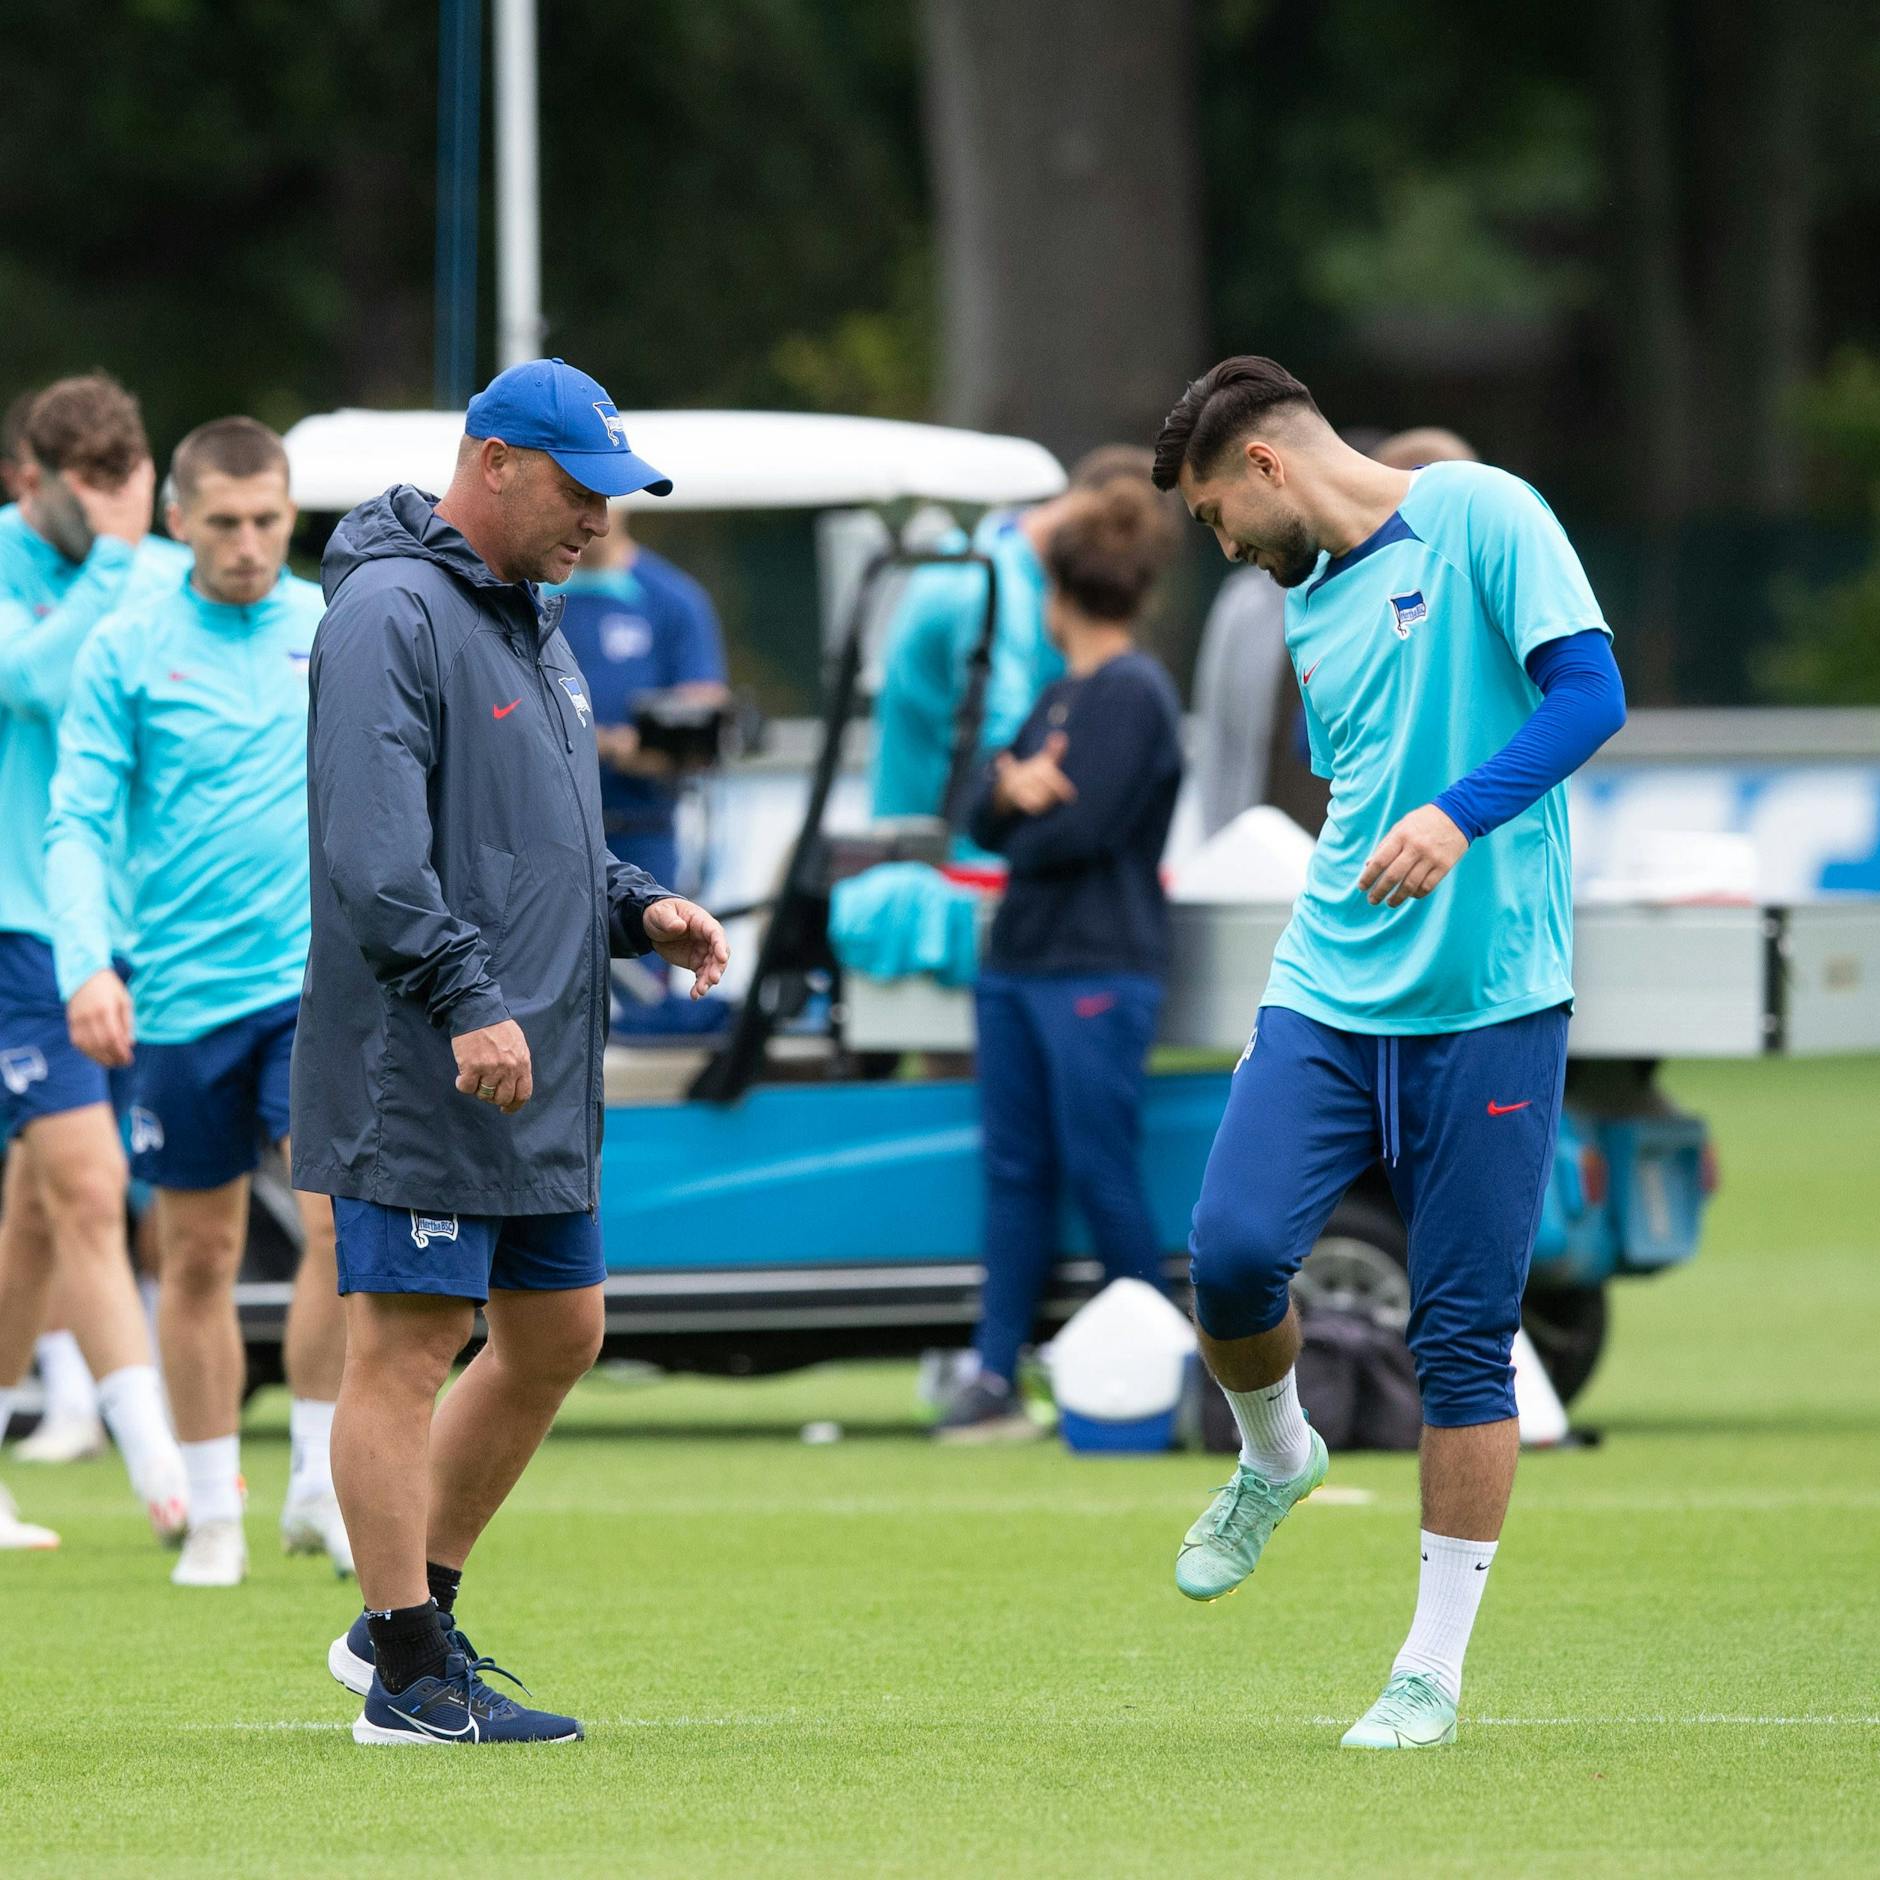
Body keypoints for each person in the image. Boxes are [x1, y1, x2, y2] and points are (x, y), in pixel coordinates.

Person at [1152, 356, 1626, 1750]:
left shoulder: (1484, 511)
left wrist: (1461, 815)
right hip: (1330, 987)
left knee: (1464, 1338)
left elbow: (1589, 697)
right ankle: (1274, 1454)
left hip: (1491, 997)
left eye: (1211, 512)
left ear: (1267, 466)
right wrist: (1403, 823)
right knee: (1231, 1253)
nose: (1219, 544)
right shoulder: (1302, 602)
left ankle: (1428, 1671)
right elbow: (1366, 786)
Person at [295, 358, 728, 1747]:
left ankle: (398, 1623)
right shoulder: (391, 610)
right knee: (408, 1348)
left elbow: (539, 839)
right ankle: (412, 1681)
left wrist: (636, 905)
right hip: (429, 1054)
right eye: (580, 488)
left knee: (557, 1334)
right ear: (492, 462)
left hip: (533, 1063)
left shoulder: (528, 616)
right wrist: (465, 993)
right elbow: (375, 857)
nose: (601, 520)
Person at [46, 416, 351, 1586]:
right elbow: (76, 817)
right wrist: (88, 959)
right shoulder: (126, 643)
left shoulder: (329, 625)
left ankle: (318, 1481)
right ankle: (214, 1503)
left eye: (268, 520)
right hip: (176, 994)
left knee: (334, 1224)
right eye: (222, 522)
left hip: (313, 985)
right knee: (199, 1251)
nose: (247, 543)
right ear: (177, 521)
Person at [938, 480, 1186, 1441]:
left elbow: (1070, 835)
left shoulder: (1131, 694)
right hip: (1024, 964)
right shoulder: (1061, 694)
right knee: (1015, 1172)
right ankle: (994, 1374)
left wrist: (1017, 803)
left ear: (1057, 591)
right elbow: (981, 813)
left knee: (1099, 1167)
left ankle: (1158, 1366)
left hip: (1096, 965)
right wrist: (1011, 795)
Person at [0, 374, 192, 1552]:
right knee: (84, 1186)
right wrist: (118, 559)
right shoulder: (43, 564)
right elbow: (42, 684)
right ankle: (170, 1477)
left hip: (147, 931)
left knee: (37, 1211)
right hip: (20, 921)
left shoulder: (154, 565)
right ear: (38, 482)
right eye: (93, 499)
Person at [870, 445, 1159, 842]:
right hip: (945, 866)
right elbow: (1007, 747)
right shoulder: (988, 588)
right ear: (1082, 509)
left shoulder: (996, 553)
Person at [551, 505, 729, 890]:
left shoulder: (672, 599)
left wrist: (606, 746)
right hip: (541, 832)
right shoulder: (525, 592)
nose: (587, 512)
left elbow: (703, 733)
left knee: (651, 940)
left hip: (641, 832)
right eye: (573, 494)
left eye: (599, 495)